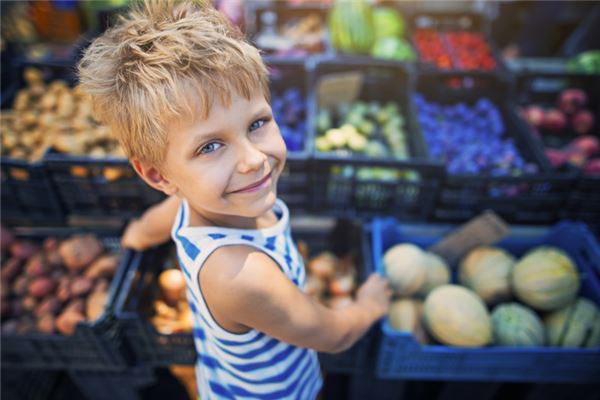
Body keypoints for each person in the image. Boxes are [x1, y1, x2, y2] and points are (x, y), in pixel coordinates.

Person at [77, 1, 392, 398]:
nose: (253, 159)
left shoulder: (192, 200)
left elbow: (153, 224)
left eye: (257, 123)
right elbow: (332, 335)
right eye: (210, 146)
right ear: (159, 175)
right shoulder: (242, 275)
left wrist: (135, 236)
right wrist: (368, 306)